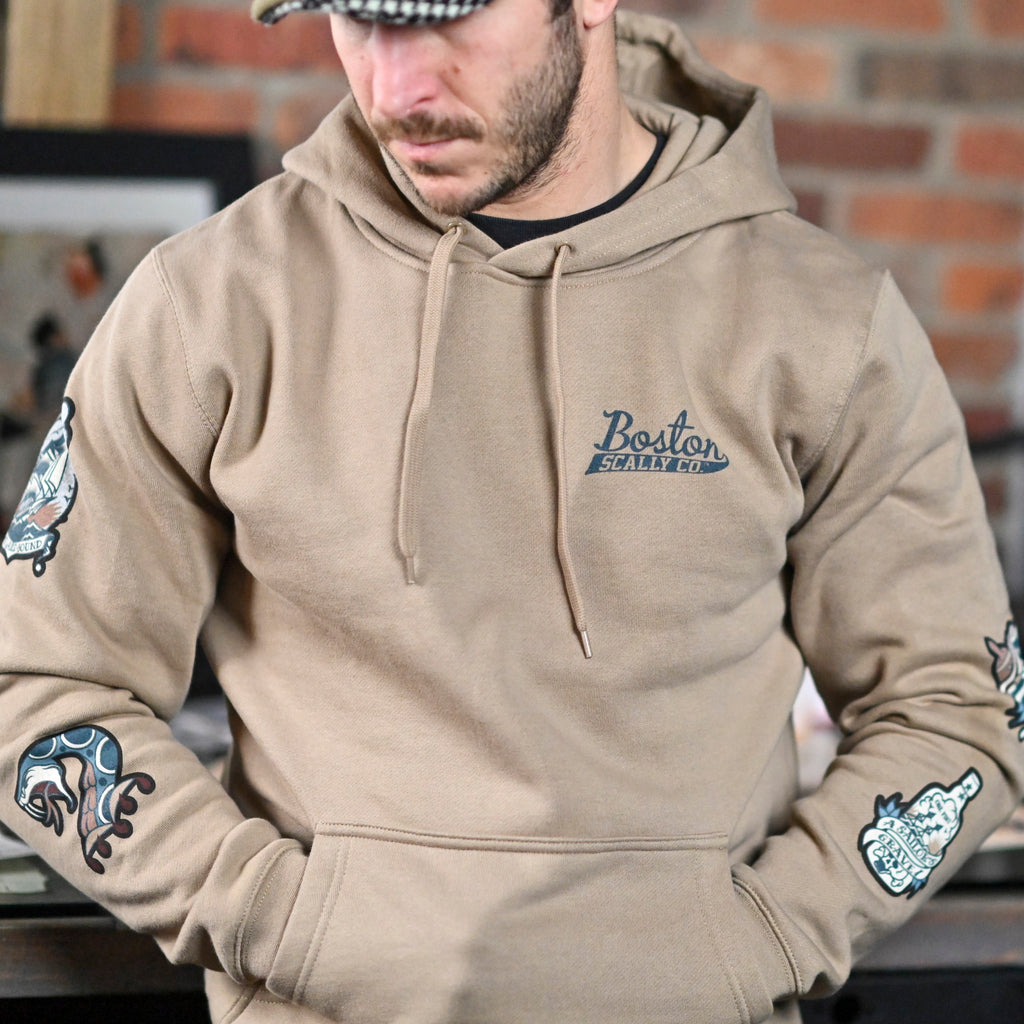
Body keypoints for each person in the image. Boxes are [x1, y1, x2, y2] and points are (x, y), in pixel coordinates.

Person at [1, 1, 1022, 1022]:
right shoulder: (211, 304)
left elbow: (962, 710)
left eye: (447, 17)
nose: (396, 88)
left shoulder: (820, 321)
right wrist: (274, 916)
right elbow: (35, 685)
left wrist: (767, 934)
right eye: (358, 20)